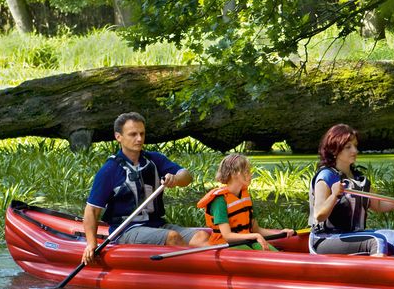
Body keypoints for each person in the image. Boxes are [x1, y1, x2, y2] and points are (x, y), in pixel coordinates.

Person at [81, 112, 208, 265]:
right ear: (118, 137)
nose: (139, 139)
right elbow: (92, 210)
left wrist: (176, 179)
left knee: (201, 236)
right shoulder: (109, 170)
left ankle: (216, 274)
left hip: (157, 224)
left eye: (142, 133)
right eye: (133, 134)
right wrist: (91, 243)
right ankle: (191, 276)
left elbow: (186, 176)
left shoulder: (155, 160)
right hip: (126, 231)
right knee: (172, 237)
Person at [309, 124, 394, 256]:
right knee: (376, 241)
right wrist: (334, 195)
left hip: (353, 235)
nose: (355, 151)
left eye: (355, 146)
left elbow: (378, 204)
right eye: (348, 147)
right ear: (334, 150)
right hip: (325, 238)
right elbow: (319, 215)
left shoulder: (359, 179)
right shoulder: (326, 176)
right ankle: (380, 275)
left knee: (393, 236)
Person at [196, 153, 295, 250]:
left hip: (247, 241)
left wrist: (281, 232)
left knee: (274, 254)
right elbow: (227, 236)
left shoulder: (245, 196)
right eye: (246, 171)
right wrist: (254, 236)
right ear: (234, 173)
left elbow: (257, 230)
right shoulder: (219, 200)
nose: (250, 174)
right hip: (225, 245)